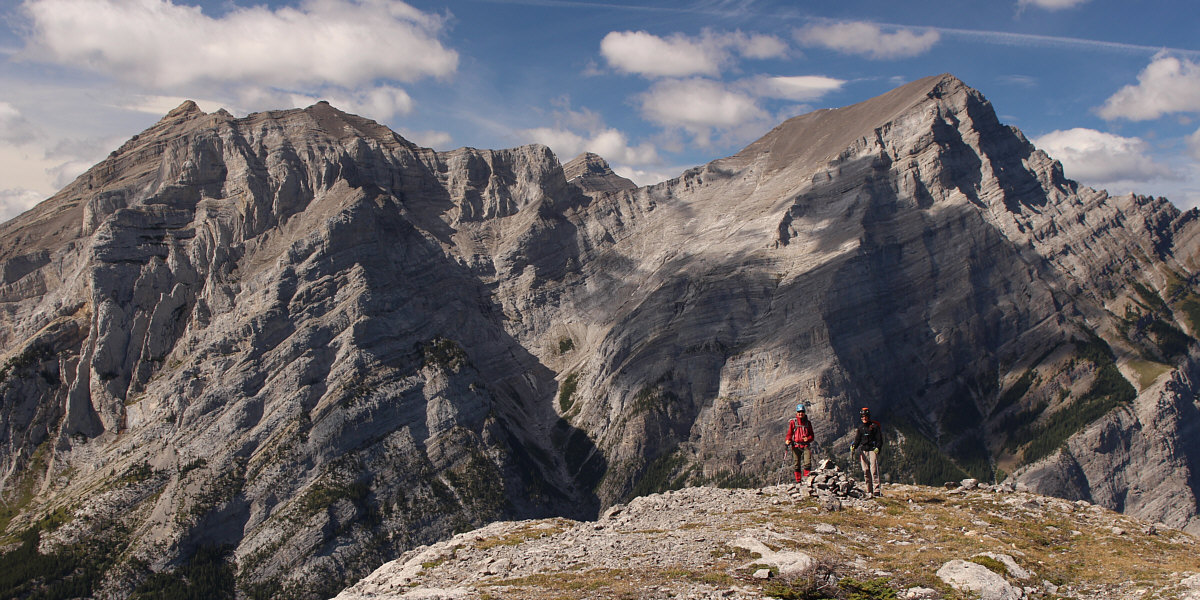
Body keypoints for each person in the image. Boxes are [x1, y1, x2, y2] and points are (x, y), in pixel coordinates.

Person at [851, 407, 882, 496]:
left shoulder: (874, 426)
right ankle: (869, 490)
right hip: (863, 451)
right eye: (862, 416)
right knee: (866, 471)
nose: (864, 418)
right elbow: (857, 440)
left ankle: (876, 490)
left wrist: (878, 448)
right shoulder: (860, 428)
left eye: (865, 416)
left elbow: (879, 439)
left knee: (874, 470)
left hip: (872, 450)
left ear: (868, 416)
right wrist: (854, 446)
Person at [785, 403, 815, 482]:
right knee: (796, 464)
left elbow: (812, 436)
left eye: (802, 412)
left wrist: (808, 439)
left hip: (805, 446)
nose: (800, 413)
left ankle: (806, 480)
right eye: (799, 412)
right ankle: (798, 481)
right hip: (795, 446)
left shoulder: (808, 423)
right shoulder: (793, 422)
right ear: (796, 413)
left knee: (807, 463)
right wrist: (788, 439)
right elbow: (789, 433)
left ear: (804, 412)